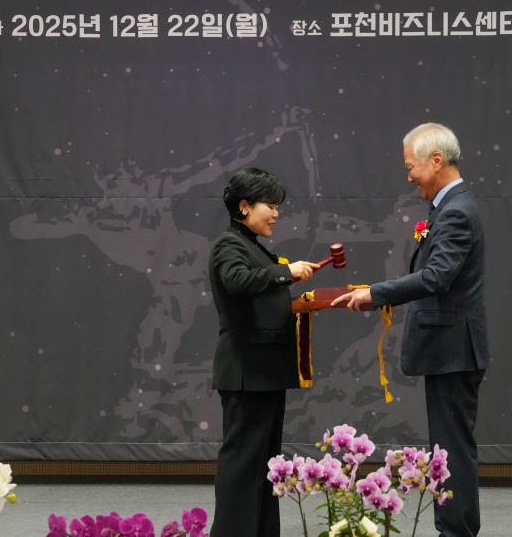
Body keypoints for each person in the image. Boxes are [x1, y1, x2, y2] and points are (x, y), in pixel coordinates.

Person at [332, 123, 488, 536]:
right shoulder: (450, 207)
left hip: (454, 351)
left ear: (436, 161)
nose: (408, 176)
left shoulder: (455, 211)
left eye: (411, 166)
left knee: (452, 451)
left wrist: (375, 293)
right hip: (450, 350)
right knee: (450, 449)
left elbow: (435, 277)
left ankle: (455, 533)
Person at [208, 168, 318, 537]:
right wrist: (285, 271)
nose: (276, 213)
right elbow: (237, 281)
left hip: (264, 374)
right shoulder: (229, 245)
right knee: (242, 469)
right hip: (246, 373)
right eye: (269, 206)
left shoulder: (251, 245)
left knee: (264, 470)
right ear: (244, 206)